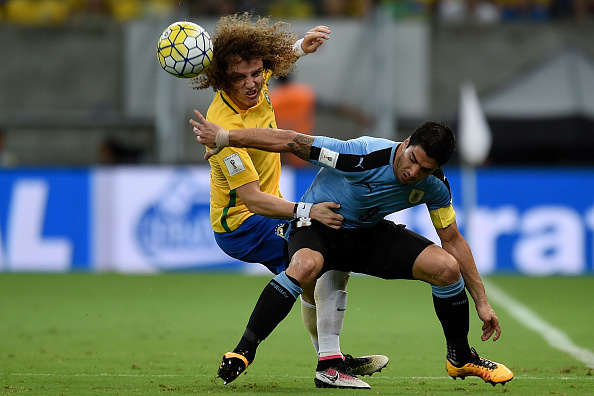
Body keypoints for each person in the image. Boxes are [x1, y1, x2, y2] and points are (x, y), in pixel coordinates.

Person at [190, 110, 515, 388]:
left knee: (446, 268)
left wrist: (482, 302)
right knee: (304, 267)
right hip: (318, 225)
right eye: (412, 159)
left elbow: (454, 239)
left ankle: (460, 357)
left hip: (367, 235)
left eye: (425, 169)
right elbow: (290, 140)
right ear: (405, 145)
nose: (413, 173)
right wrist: (225, 138)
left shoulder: (433, 185)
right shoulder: (360, 156)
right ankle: (244, 350)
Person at [189, 13, 388, 389]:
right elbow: (253, 200)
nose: (252, 83)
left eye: (256, 73)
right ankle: (328, 361)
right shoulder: (222, 132)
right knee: (322, 256)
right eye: (241, 77)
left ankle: (330, 358)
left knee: (312, 277)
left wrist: (299, 48)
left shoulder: (256, 85)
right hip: (243, 224)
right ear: (222, 79)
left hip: (262, 210)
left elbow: (267, 67)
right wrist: (307, 211)